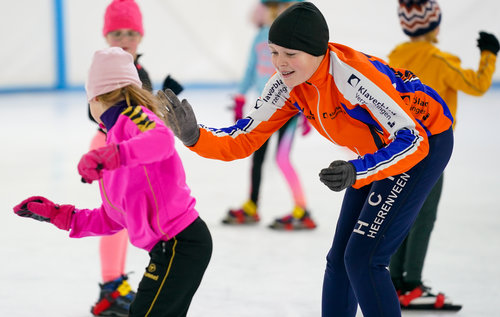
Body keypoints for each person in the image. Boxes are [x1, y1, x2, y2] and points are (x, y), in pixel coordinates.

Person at [158, 2, 455, 316]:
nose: (280, 63)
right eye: (273, 52)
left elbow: (413, 140)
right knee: (341, 258)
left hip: (424, 142)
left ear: (317, 53)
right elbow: (246, 137)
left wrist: (357, 170)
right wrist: (195, 136)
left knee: (364, 259)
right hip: (375, 153)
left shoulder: (352, 78)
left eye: (290, 54)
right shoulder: (287, 84)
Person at [14, 47, 212, 317]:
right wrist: (61, 215)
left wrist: (114, 155)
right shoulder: (115, 139)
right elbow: (113, 218)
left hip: (181, 242)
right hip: (169, 248)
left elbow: (162, 139)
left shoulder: (134, 117)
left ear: (94, 97)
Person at [387, 0, 498, 310]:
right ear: (434, 24)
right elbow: (476, 85)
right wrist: (489, 54)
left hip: (399, 149)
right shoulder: (440, 60)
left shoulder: (395, 59)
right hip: (431, 149)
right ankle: (411, 285)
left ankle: (395, 282)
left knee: (401, 215)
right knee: (424, 216)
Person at [87, 0, 183, 315]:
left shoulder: (139, 71)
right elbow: (100, 111)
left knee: (123, 218)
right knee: (116, 217)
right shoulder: (108, 68)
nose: (124, 39)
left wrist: (160, 99)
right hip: (112, 148)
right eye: (117, 33)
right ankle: (110, 286)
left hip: (124, 150)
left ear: (140, 36)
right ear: (106, 36)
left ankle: (113, 285)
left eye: (130, 32)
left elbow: (146, 117)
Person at [224, 0, 316, 230]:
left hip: (289, 110)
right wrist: (240, 96)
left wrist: (308, 107)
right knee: (257, 157)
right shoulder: (259, 38)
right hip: (264, 111)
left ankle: (302, 209)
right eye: (272, 8)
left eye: (281, 8)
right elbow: (250, 69)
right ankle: (252, 206)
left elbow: (305, 73)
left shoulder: (293, 42)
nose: (276, 13)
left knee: (282, 159)